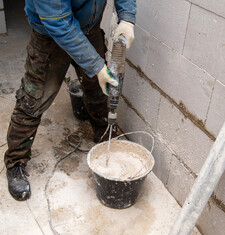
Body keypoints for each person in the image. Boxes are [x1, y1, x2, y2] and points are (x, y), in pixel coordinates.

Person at [4, 0, 137, 201]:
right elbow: (58, 23)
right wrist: (96, 65)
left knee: (98, 89)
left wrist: (127, 18)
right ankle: (16, 162)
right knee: (34, 98)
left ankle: (105, 139)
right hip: (50, 33)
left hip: (89, 27)